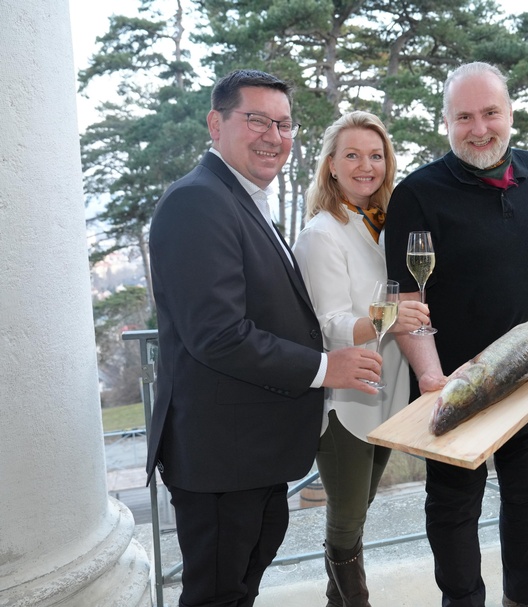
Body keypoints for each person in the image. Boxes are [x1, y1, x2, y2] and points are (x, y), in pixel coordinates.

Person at [146, 69, 383, 607]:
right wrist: (327, 368)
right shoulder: (197, 202)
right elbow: (219, 335)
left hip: (254, 453)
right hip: (220, 458)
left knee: (239, 590)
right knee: (217, 596)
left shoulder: (245, 200)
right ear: (216, 123)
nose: (273, 136)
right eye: (256, 120)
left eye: (283, 124)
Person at [384, 61, 528, 607]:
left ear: (510, 113)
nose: (479, 127)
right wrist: (430, 375)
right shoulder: (417, 194)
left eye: (490, 112)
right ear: (446, 122)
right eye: (463, 116)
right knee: (452, 507)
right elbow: (405, 300)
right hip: (460, 386)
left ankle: (523, 599)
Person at [291, 111, 429, 606]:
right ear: (331, 165)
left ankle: (337, 601)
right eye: (352, 155)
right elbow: (330, 323)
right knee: (347, 518)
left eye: (376, 155)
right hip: (345, 396)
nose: (365, 165)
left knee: (362, 507)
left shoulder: (388, 226)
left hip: (387, 389)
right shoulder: (321, 234)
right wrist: (393, 317)